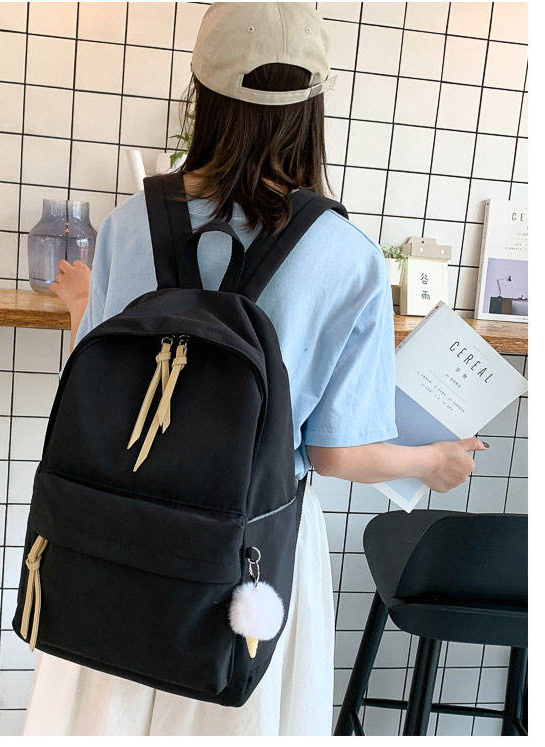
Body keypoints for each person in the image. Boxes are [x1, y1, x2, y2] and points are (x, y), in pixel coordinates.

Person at [25, 3, 487, 736]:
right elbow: (335, 453)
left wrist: (82, 303)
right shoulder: (348, 258)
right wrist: (432, 461)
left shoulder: (128, 223)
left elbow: (109, 386)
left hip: (122, 539)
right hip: (253, 554)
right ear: (312, 110)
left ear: (200, 97)